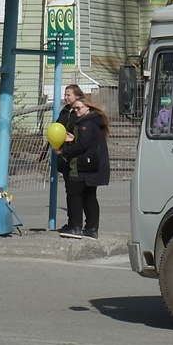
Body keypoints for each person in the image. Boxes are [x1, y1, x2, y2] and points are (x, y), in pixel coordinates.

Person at [56, 97, 111, 239]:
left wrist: (64, 151)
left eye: (78, 108)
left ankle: (76, 227)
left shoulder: (86, 123)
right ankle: (92, 228)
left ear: (88, 108)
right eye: (74, 109)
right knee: (89, 196)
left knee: (75, 195)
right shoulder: (95, 121)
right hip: (92, 164)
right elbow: (88, 142)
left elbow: (83, 146)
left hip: (82, 165)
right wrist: (74, 138)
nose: (75, 111)